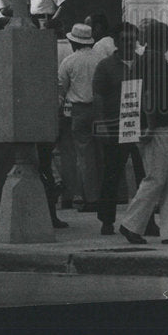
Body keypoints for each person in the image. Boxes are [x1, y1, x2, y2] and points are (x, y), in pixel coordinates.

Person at [118, 21, 168, 245]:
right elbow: (149, 95)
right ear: (160, 39)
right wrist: (150, 125)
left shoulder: (143, 60)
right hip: (160, 127)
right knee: (157, 178)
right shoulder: (155, 60)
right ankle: (131, 223)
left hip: (162, 126)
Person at [94, 22, 152, 237]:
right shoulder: (105, 66)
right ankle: (107, 220)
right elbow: (98, 96)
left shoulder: (143, 64)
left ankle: (146, 220)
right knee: (112, 174)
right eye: (124, 39)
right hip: (115, 126)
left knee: (144, 175)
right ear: (116, 41)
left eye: (132, 39)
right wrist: (101, 125)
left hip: (140, 126)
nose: (129, 43)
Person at [58, 23, 104, 214]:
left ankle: (88, 197)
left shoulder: (69, 62)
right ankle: (102, 194)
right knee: (101, 153)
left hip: (79, 110)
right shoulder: (101, 59)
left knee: (83, 155)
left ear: (72, 41)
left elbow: (61, 87)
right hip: (100, 110)